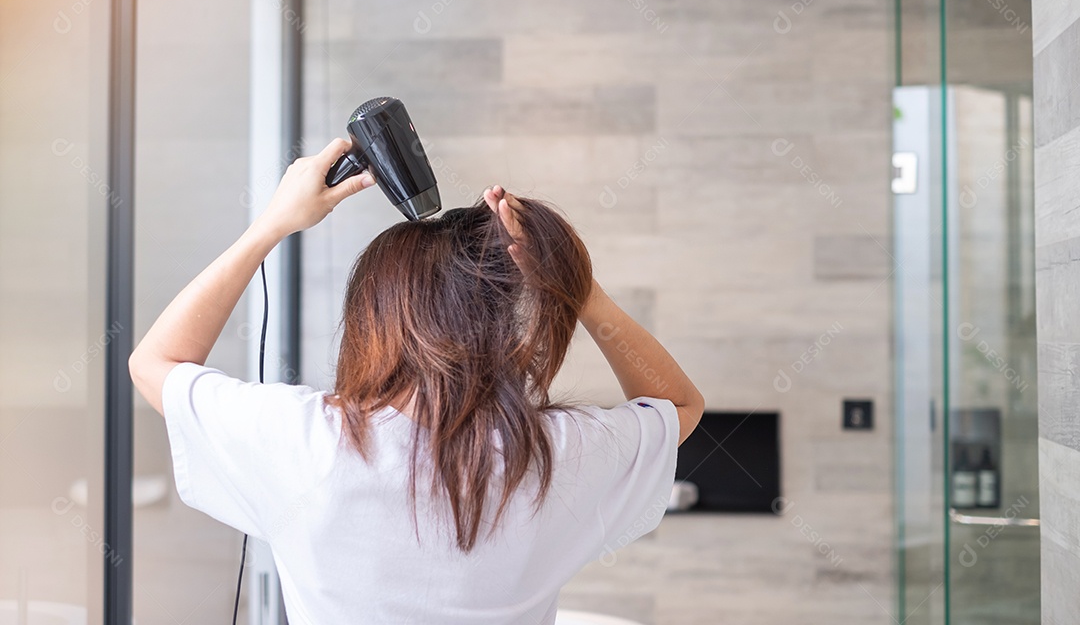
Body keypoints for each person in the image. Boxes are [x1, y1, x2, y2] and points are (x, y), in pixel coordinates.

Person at [129, 138, 705, 624]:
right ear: (499, 322)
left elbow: (155, 362)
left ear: (371, 319)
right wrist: (581, 292)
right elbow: (677, 404)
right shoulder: (556, 455)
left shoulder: (306, 441)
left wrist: (272, 224)